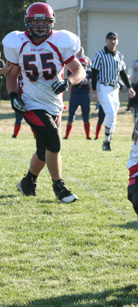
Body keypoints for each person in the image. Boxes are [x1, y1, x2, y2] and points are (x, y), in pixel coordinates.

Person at [3, 2, 85, 203]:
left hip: (53, 103)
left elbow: (79, 71)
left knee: (43, 149)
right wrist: (13, 96)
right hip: (30, 102)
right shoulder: (18, 42)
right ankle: (60, 187)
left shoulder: (60, 41)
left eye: (44, 22)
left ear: (51, 23)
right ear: (28, 23)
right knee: (54, 142)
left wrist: (68, 82)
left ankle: (28, 182)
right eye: (36, 22)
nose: (40, 27)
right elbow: (12, 76)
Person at [91, 31, 135, 151]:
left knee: (113, 116)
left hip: (115, 88)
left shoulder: (119, 55)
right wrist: (94, 90)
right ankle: (106, 141)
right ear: (106, 41)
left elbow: (122, 73)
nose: (112, 41)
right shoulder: (99, 54)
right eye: (110, 39)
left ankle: (108, 141)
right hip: (103, 86)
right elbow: (94, 73)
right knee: (110, 114)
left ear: (117, 41)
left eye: (114, 39)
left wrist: (130, 87)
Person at [64, 57, 92, 140]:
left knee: (86, 116)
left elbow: (90, 83)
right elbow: (72, 82)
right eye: (82, 65)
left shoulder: (89, 72)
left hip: (85, 95)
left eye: (84, 65)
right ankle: (67, 136)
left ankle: (88, 136)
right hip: (75, 94)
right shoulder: (71, 71)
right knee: (71, 115)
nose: (83, 67)